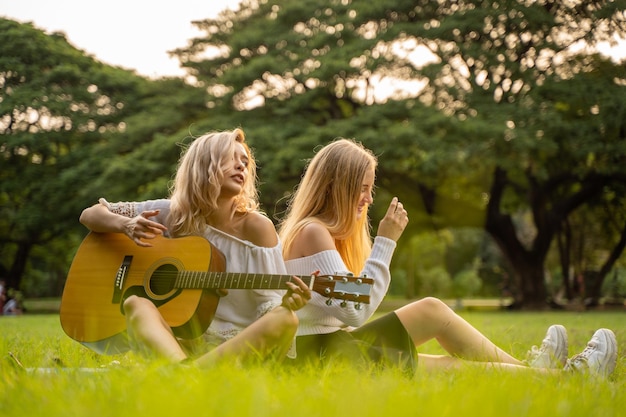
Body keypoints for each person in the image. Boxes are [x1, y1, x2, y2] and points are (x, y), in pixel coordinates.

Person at [278, 138, 617, 377]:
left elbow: (349, 311)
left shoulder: (317, 232)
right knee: (444, 367)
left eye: (370, 188)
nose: (368, 199)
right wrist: (385, 242)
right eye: (363, 188)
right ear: (339, 185)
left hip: (334, 345)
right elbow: (356, 310)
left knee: (432, 310)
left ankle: (535, 371)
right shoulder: (312, 232)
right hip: (322, 357)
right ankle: (569, 379)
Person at [79, 128, 311, 367]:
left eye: (245, 161)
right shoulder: (170, 213)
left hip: (237, 348)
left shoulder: (257, 226)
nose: (241, 166)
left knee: (285, 319)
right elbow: (91, 214)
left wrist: (286, 303)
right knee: (134, 303)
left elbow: (270, 301)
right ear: (204, 165)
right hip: (178, 344)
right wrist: (126, 225)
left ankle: (184, 376)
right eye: (232, 158)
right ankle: (189, 373)